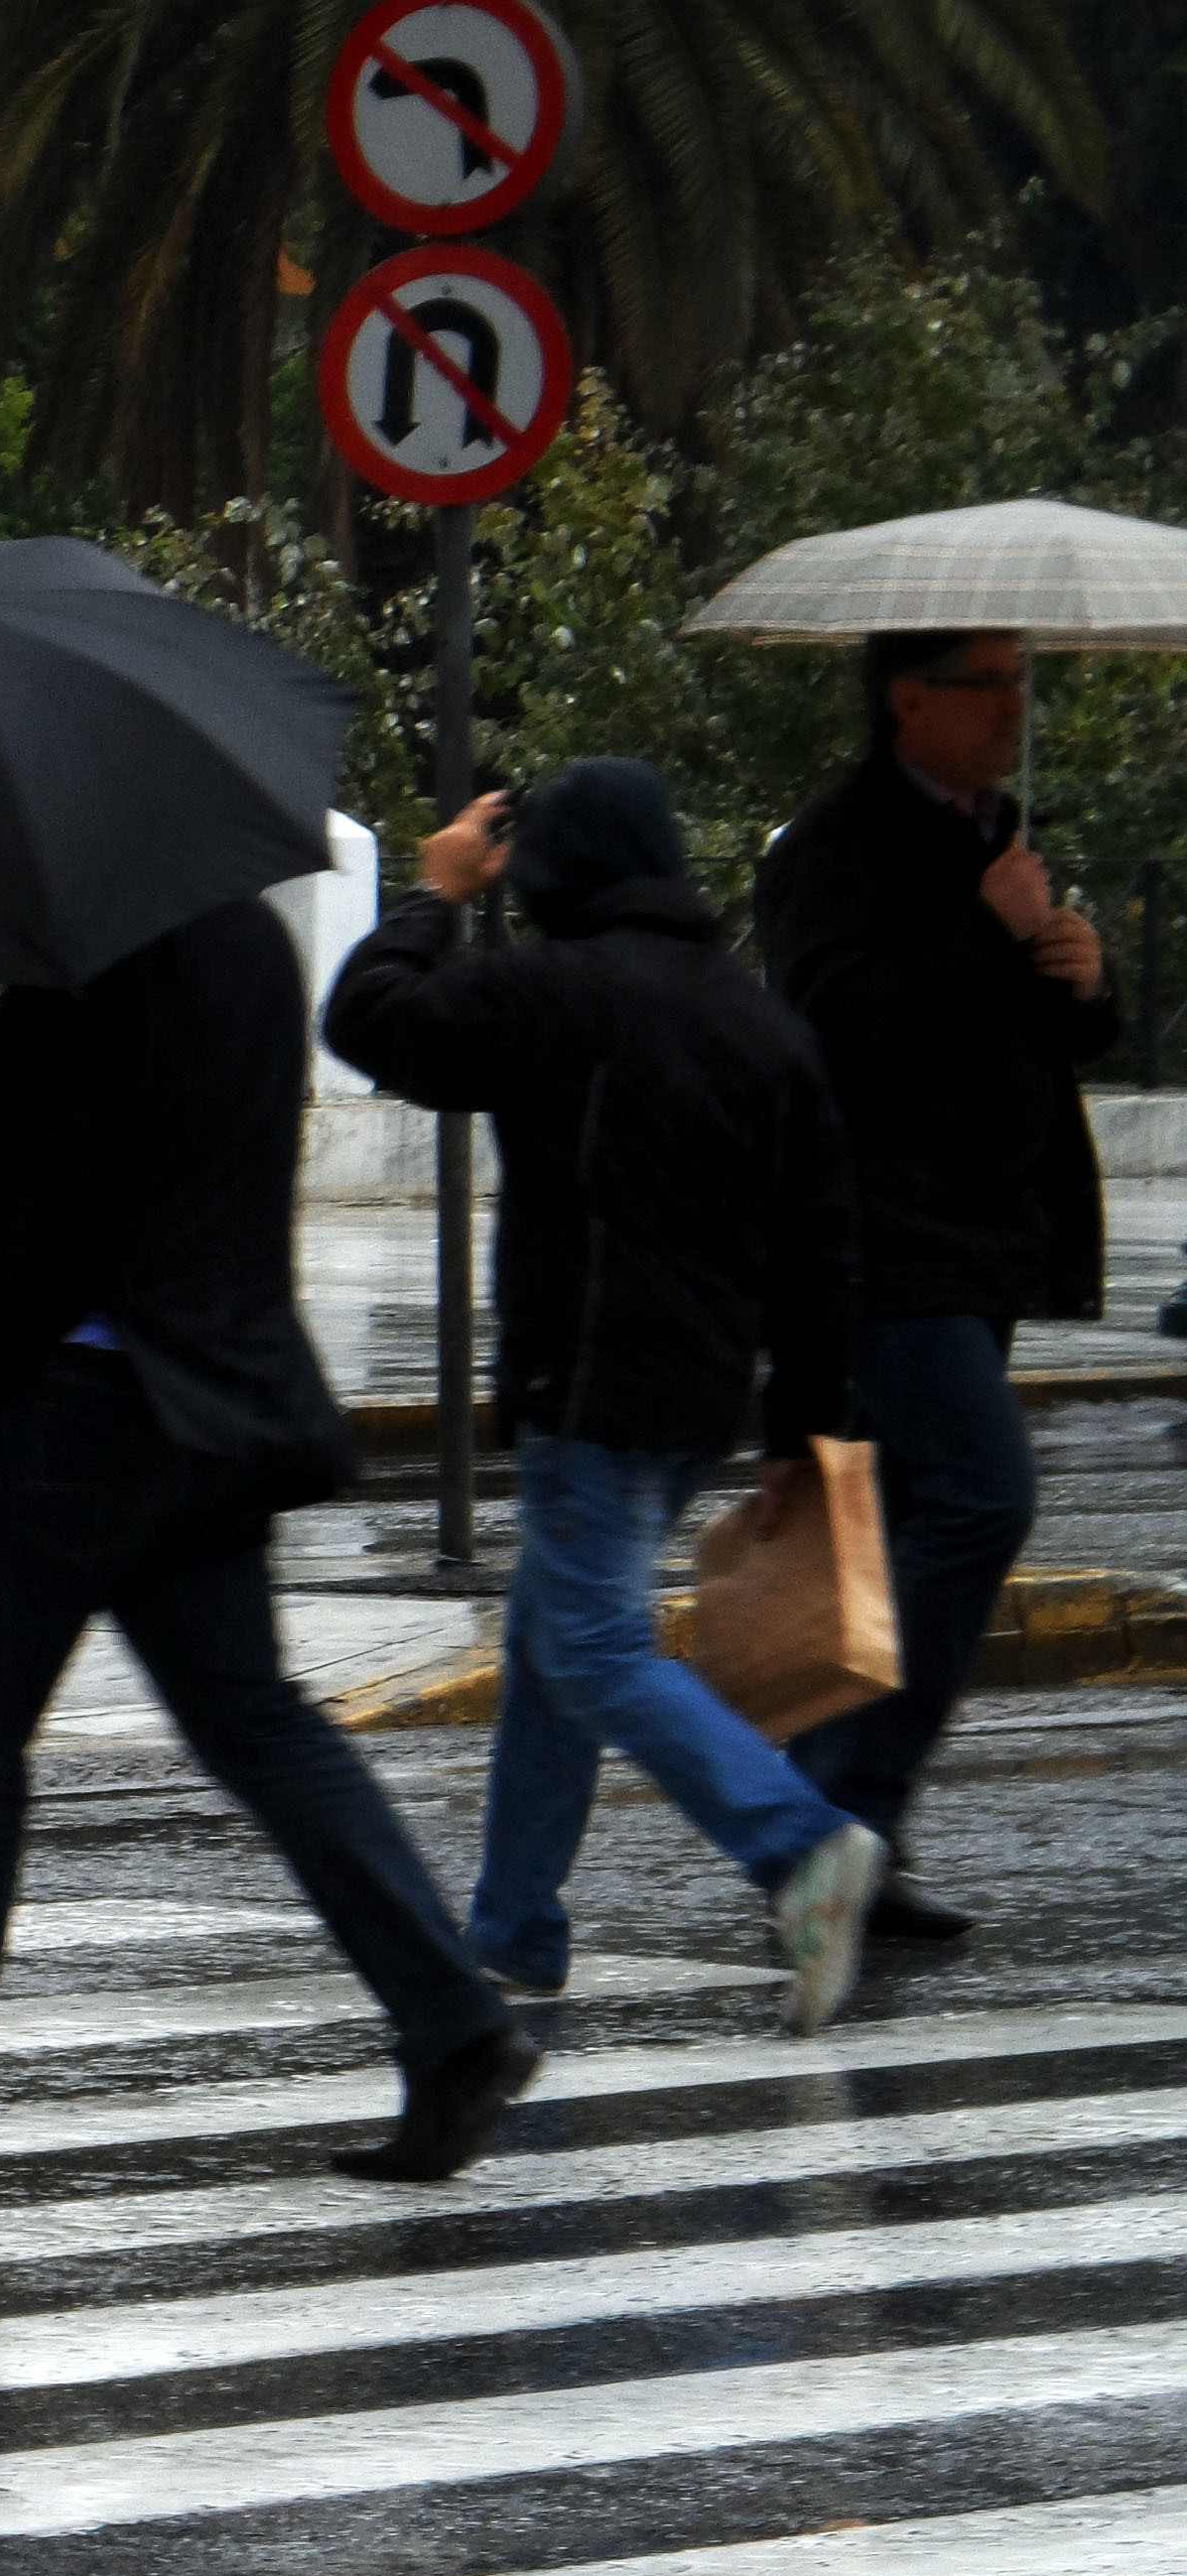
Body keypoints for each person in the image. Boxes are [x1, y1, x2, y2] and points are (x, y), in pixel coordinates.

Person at [0, 897, 532, 2180]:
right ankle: (451, 2019)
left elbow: (70, 1183)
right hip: (205, 1399)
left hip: (73, 1404)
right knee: (257, 1721)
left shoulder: (98, 948)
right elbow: (181, 1138)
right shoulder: (246, 945)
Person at [327, 760, 884, 2030]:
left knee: (590, 1646)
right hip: (699, 1397)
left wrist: (430, 895)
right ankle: (515, 1928)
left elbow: (370, 1023)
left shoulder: (555, 993)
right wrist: (807, 1420)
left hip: (588, 1382)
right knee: (545, 1647)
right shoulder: (751, 1015)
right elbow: (822, 1238)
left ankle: (799, 1844)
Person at [757, 629, 1117, 1939]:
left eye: (1019, 683)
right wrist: (984, 930)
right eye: (987, 683)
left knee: (895, 1528)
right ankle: (826, 1815)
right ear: (907, 698)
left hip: (987, 1230)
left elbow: (1015, 1031)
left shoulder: (997, 838)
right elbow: (834, 1027)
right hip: (882, 1235)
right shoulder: (829, 851)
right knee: (980, 1494)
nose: (1012, 707)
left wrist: (1080, 980)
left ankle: (853, 1839)